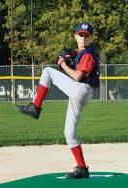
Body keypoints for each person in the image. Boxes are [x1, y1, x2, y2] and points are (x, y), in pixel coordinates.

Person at [15, 22, 100, 179]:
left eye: (86, 36)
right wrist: (71, 59)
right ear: (75, 36)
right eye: (80, 35)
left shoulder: (88, 54)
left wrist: (62, 64)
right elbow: (77, 73)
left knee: (47, 72)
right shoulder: (81, 53)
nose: (83, 38)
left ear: (91, 38)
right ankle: (82, 167)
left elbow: (77, 76)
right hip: (81, 92)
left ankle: (35, 107)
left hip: (82, 89)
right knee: (69, 132)